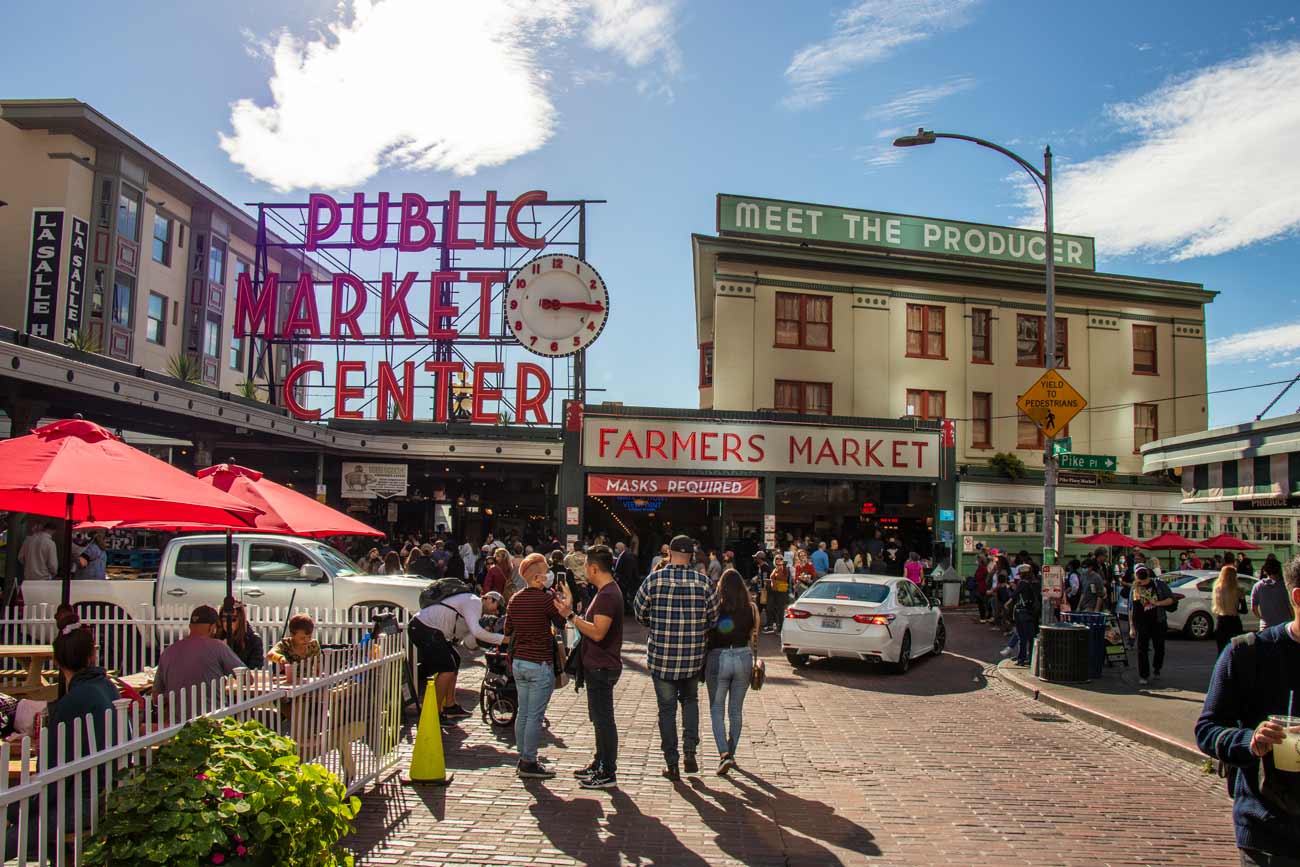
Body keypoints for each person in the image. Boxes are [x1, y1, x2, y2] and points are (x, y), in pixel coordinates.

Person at [1195, 554, 1300, 866]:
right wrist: (1250, 740)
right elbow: (1207, 729)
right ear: (1298, 597)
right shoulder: (1247, 654)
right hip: (1271, 834)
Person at [634, 535, 719, 781]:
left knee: (667, 710)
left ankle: (671, 762)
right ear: (691, 556)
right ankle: (690, 750)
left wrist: (656, 624)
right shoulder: (704, 583)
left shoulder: (653, 580)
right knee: (690, 701)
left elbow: (639, 613)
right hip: (692, 656)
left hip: (661, 656)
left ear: (669, 553)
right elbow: (714, 618)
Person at [555, 544, 624, 789]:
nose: (584, 570)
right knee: (599, 718)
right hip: (598, 664)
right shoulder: (606, 592)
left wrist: (570, 616)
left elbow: (597, 632)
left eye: (585, 566)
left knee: (604, 720)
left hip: (602, 665)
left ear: (594, 568)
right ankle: (600, 762)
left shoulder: (607, 595)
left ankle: (607, 770)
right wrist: (571, 607)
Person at [504, 553, 565, 779]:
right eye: (546, 572)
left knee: (523, 712)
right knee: (534, 716)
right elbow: (561, 621)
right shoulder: (545, 600)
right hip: (539, 662)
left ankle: (523, 756)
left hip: (519, 661)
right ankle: (529, 760)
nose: (549, 575)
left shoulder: (515, 599)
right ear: (537, 577)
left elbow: (508, 630)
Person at [409, 589, 505, 724]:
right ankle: (434, 714)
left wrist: (484, 640)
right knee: (447, 668)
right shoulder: (474, 602)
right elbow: (477, 632)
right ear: (489, 599)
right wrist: (503, 639)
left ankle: (450, 706)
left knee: (456, 659)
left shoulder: (475, 611)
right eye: (497, 607)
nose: (496, 612)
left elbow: (468, 643)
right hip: (423, 627)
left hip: (433, 631)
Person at [705, 568, 758, 776]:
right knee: (736, 710)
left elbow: (706, 631)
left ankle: (724, 753)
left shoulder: (716, 608)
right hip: (743, 656)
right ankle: (731, 751)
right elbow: (754, 635)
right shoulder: (751, 608)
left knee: (717, 708)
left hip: (718, 656)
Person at [154, 605, 245, 700]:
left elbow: (156, 695)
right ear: (212, 628)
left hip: (176, 710)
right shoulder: (218, 647)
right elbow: (247, 678)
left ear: (190, 626)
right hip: (214, 709)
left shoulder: (168, 651)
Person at [1129, 565, 1176, 686]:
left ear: (1148, 573)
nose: (1141, 575)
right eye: (1139, 573)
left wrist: (1158, 603)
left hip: (1158, 621)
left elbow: (1171, 599)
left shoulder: (1158, 584)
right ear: (1136, 575)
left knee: (1159, 647)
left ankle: (1157, 668)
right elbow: (1131, 609)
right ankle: (1143, 675)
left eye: (1143, 572)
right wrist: (1132, 627)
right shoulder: (1135, 588)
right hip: (1141, 623)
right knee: (1142, 649)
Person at [216, 601, 264, 670]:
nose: (227, 623)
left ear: (240, 619)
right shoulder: (217, 638)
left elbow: (255, 668)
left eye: (233, 619)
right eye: (224, 618)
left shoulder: (253, 640)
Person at [1251, 559, 1295, 630]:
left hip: (1266, 626)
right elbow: (1291, 605)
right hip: (1284, 626)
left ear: (1265, 571)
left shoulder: (1257, 586)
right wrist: (1293, 619)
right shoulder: (1285, 586)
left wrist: (1262, 619)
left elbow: (1253, 608)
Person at [1212, 565, 1247, 653]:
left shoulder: (1217, 589)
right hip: (1234, 622)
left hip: (1221, 621)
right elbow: (1244, 610)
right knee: (1236, 650)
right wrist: (1236, 609)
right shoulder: (1239, 590)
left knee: (1221, 651)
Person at [1012, 568, 1040, 666]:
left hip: (1022, 612)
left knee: (1022, 637)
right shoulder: (1036, 583)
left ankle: (1021, 658)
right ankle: (1032, 658)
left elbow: (1014, 595)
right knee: (1032, 637)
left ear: (1022, 574)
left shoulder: (1022, 583)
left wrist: (1013, 588)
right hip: (1033, 613)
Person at [764, 555, 791, 633]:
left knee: (780, 610)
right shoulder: (774, 569)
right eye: (777, 559)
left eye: (781, 559)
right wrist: (769, 580)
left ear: (783, 560)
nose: (778, 560)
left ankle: (780, 628)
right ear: (774, 560)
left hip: (781, 592)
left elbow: (784, 579)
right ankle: (772, 626)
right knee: (770, 608)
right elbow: (773, 579)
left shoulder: (785, 569)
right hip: (773, 591)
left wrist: (781, 568)